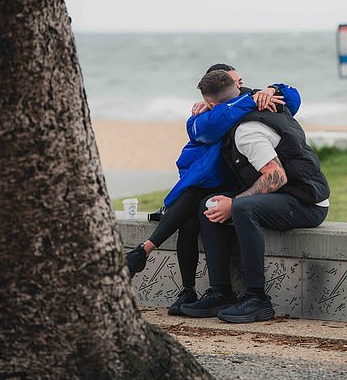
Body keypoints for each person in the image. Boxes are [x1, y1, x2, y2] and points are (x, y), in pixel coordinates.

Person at [125, 65, 302, 316]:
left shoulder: (250, 100)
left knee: (199, 204)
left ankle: (144, 253)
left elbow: (291, 98)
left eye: (241, 81)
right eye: (236, 81)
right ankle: (189, 289)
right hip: (205, 181)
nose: (241, 85)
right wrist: (246, 102)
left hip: (222, 184)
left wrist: (273, 89)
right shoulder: (207, 116)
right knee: (191, 216)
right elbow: (214, 124)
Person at [180, 70, 329, 323]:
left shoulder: (246, 130)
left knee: (242, 208)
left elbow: (277, 176)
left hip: (306, 202)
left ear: (213, 106)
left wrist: (235, 203)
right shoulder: (246, 105)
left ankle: (257, 299)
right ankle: (220, 291)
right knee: (210, 204)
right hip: (282, 195)